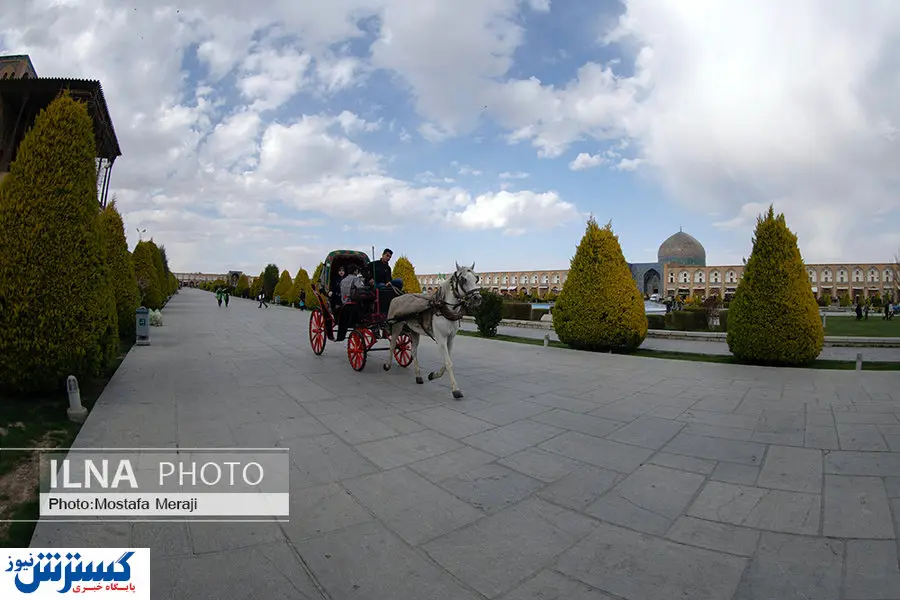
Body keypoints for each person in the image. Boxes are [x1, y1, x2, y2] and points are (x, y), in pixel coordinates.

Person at [336, 265, 365, 342]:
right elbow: (361, 287)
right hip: (353, 304)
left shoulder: (343, 280)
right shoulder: (355, 278)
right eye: (357, 271)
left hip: (344, 304)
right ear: (355, 271)